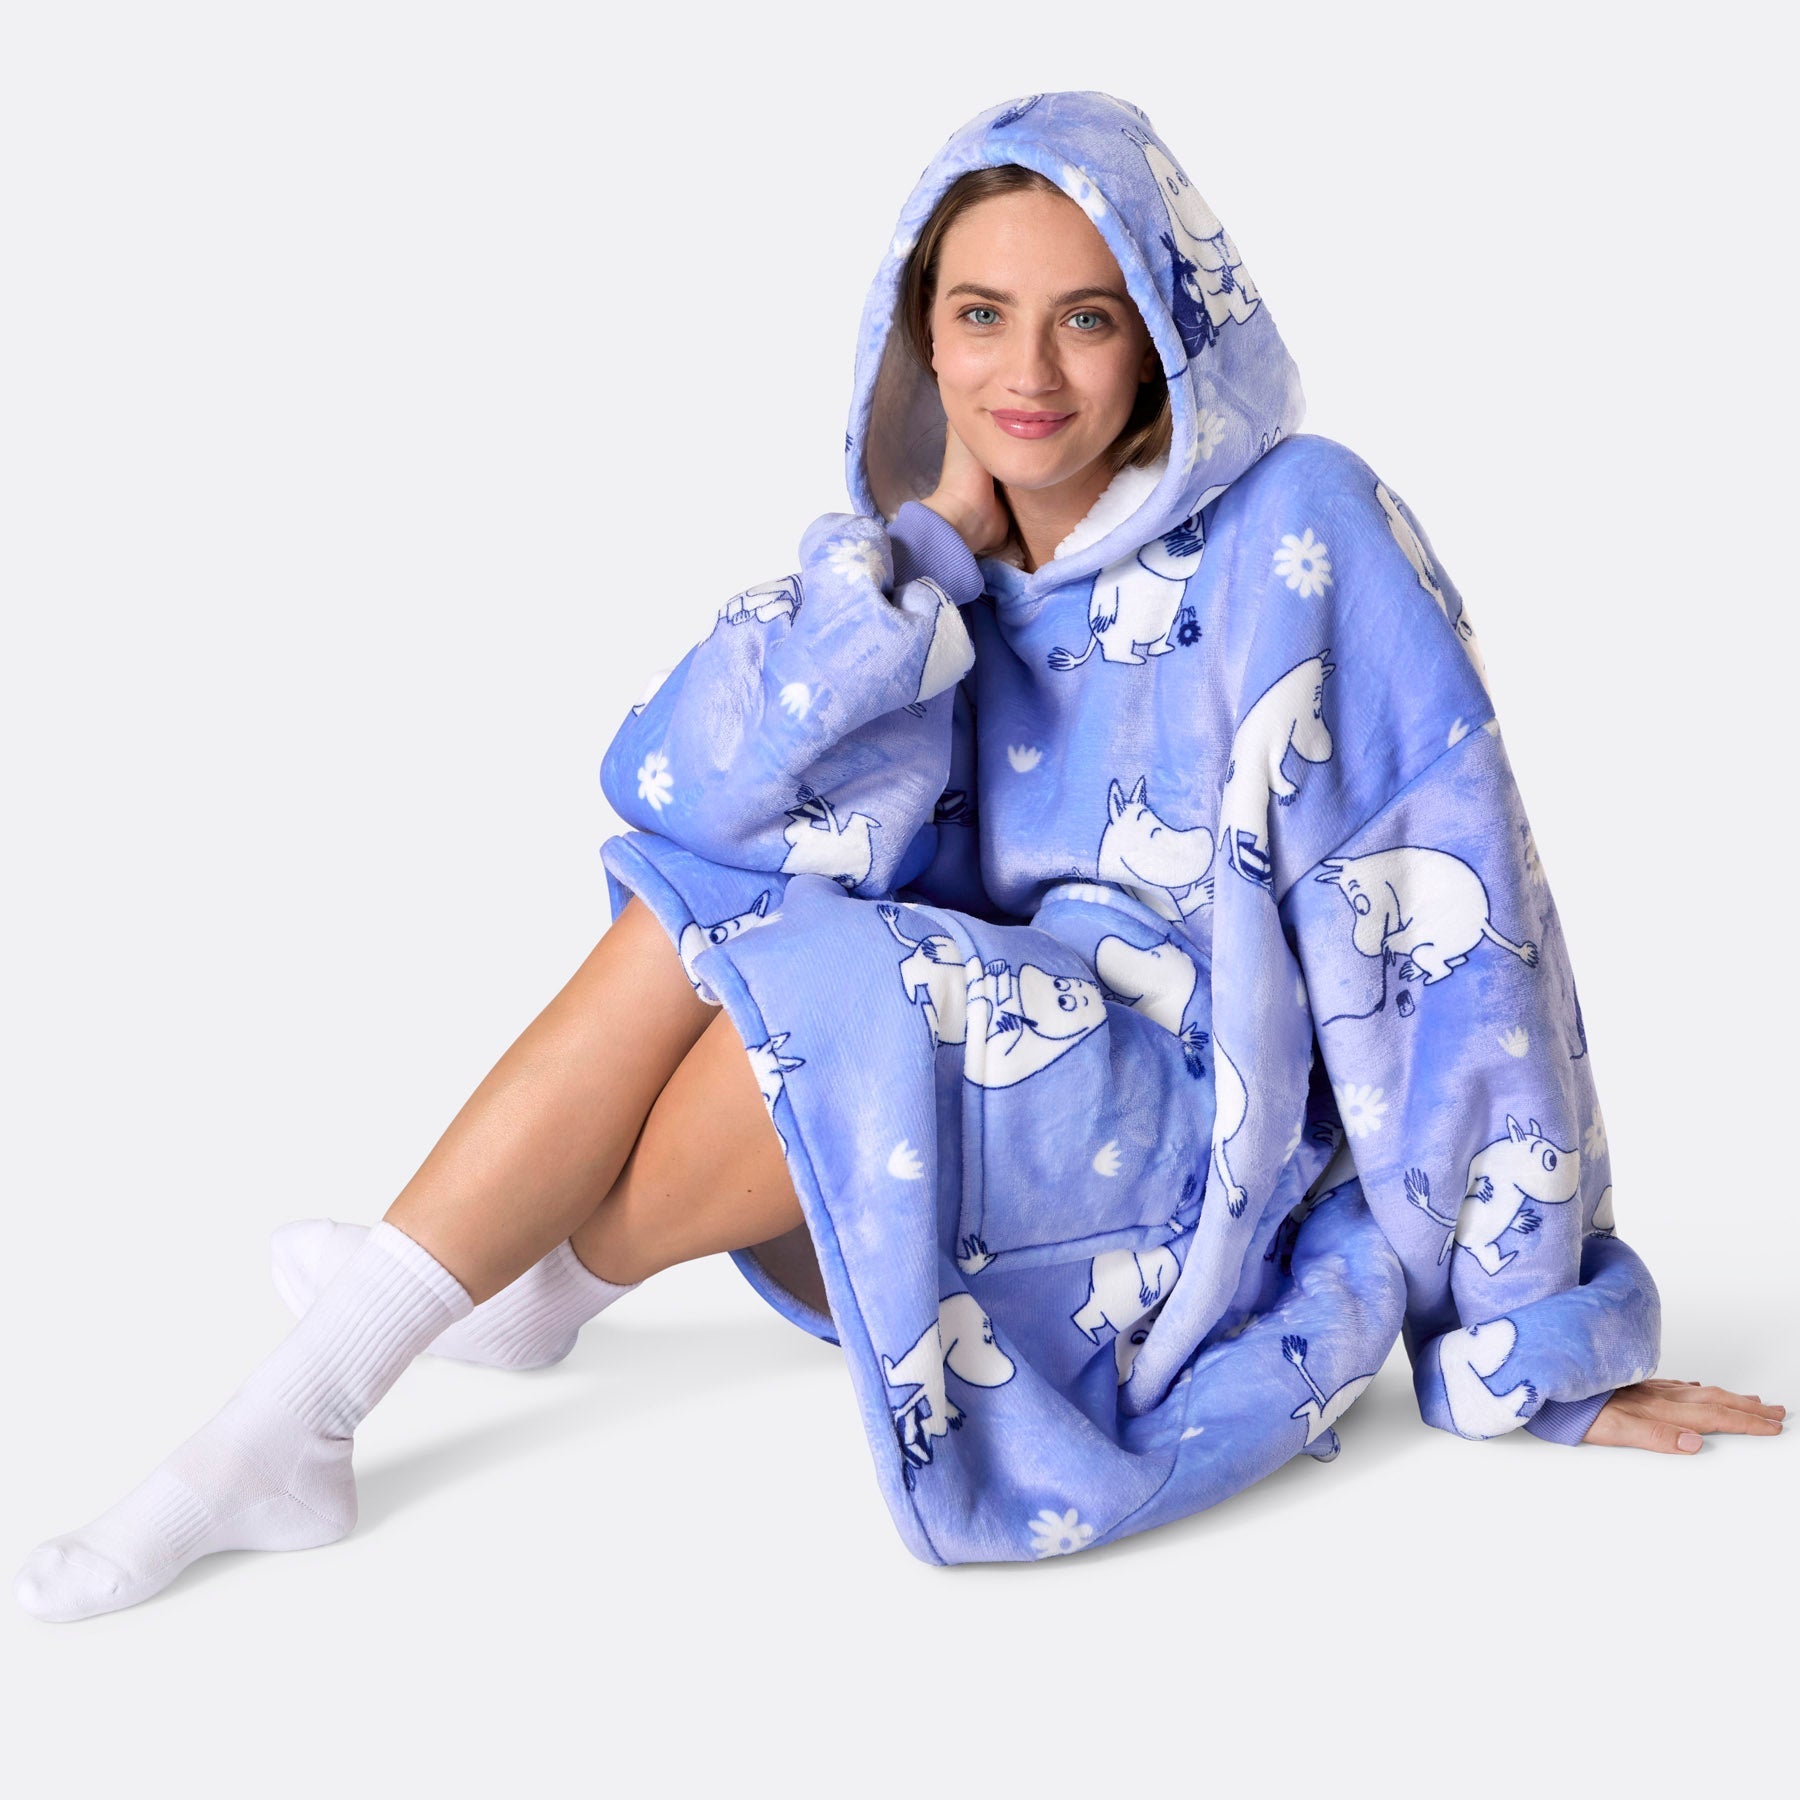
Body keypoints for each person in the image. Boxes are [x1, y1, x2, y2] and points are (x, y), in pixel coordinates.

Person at [16, 90, 1781, 1619]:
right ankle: (333, 1394)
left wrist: (1527, 1336)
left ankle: (452, 1316)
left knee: (847, 981)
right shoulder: (936, 575)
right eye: (980, 315)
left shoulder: (1301, 526)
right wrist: (916, 558)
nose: (1029, 372)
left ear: (1165, 332)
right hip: (964, 1096)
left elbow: (1448, 923)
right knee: (718, 900)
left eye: (1086, 319)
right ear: (919, 336)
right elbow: (686, 804)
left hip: (1184, 1156)